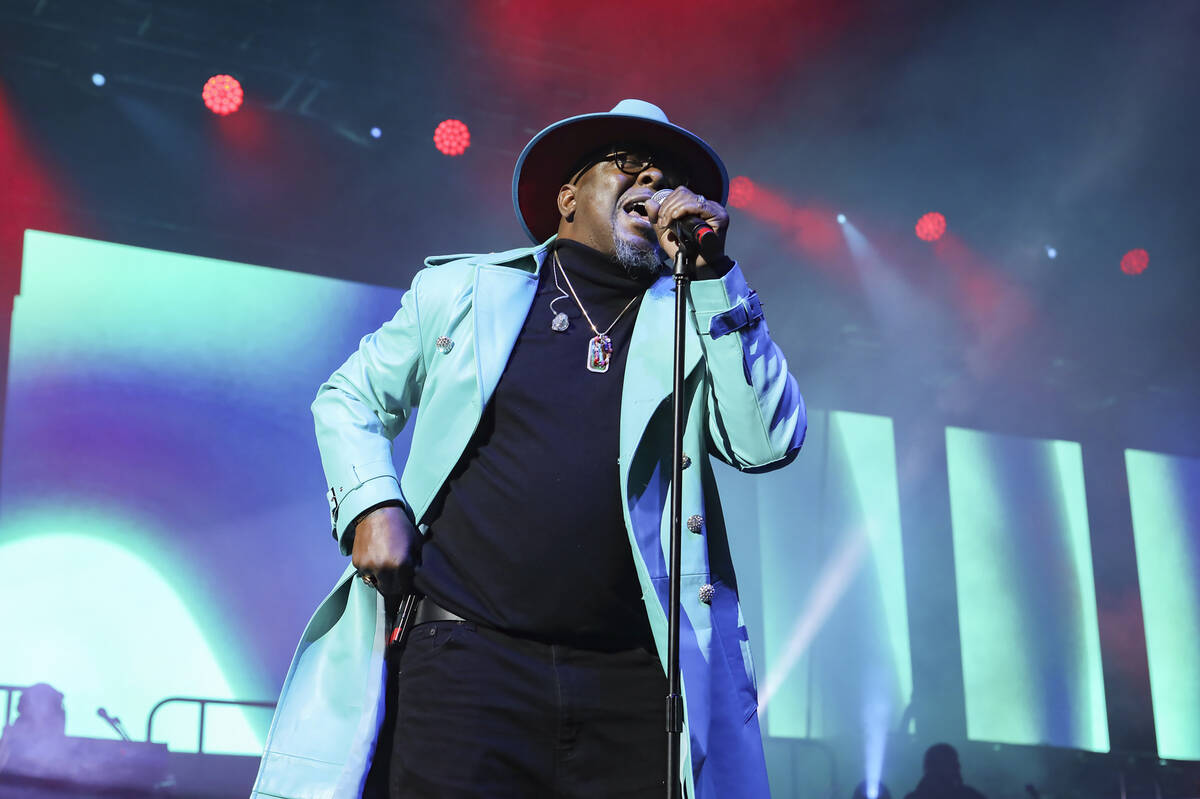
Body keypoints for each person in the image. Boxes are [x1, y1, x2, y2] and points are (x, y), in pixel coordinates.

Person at [251, 99, 806, 799]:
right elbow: (349, 396)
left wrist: (716, 275)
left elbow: (767, 443)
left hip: (634, 680)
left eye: (667, 181)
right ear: (568, 197)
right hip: (467, 661)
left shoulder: (699, 321)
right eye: (629, 167)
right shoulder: (464, 291)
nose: (653, 186)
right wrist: (372, 501)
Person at [904, 743, 988, 799]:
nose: (958, 766)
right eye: (953, 763)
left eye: (956, 763)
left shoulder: (969, 795)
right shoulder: (969, 795)